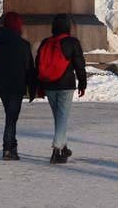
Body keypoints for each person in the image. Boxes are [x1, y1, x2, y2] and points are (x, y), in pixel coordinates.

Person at [35, 13, 86, 164]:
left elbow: (38, 65)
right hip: (66, 85)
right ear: (68, 27)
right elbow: (80, 66)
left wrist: (40, 85)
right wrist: (82, 84)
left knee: (59, 118)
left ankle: (64, 148)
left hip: (49, 85)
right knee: (62, 118)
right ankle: (56, 150)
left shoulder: (45, 42)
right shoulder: (72, 42)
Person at [0, 11, 35, 160]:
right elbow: (29, 69)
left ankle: (12, 146)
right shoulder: (24, 45)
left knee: (10, 116)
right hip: (17, 86)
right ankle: (8, 148)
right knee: (11, 118)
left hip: (2, 86)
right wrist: (32, 89)